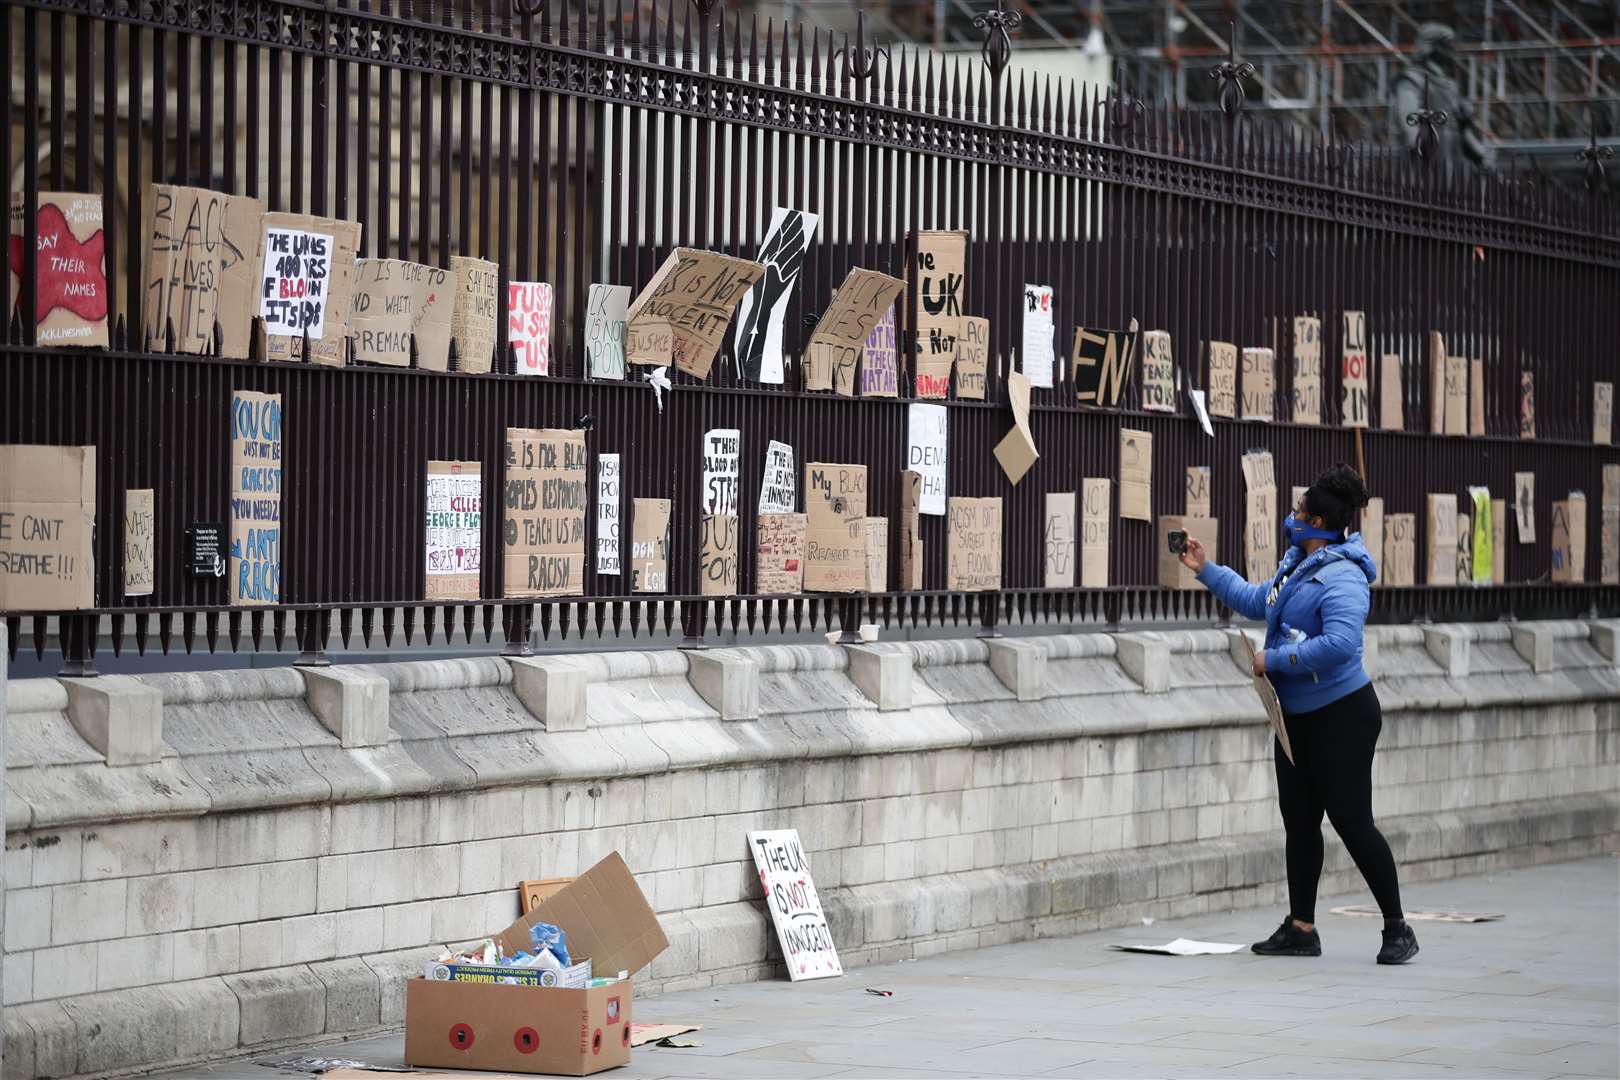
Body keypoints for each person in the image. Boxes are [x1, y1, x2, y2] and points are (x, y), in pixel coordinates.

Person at [1178, 464, 1418, 965]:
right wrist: (1205, 568)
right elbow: (1255, 600)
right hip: (1296, 719)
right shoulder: (1296, 567)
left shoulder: (1344, 576)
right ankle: (1301, 927)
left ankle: (1398, 928)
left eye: (1298, 511)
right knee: (1301, 821)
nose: (1292, 516)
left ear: (1319, 521)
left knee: (1352, 822)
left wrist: (1276, 660)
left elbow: (1341, 644)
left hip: (1342, 716)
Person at [1393, 22, 1495, 171]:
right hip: (1426, 162)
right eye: (1450, 45)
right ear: (1436, 47)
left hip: (1452, 161)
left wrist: (1480, 154)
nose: (1453, 50)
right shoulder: (1412, 79)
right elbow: (1408, 117)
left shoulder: (1450, 86)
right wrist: (1416, 143)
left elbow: (1461, 131)